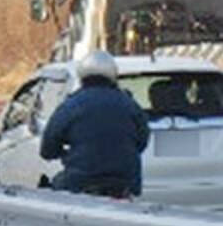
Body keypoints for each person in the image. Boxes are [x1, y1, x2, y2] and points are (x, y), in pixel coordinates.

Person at [40, 50, 149, 196]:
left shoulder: (71, 105)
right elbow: (143, 140)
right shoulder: (129, 104)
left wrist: (65, 153)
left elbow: (48, 146)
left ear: (82, 75)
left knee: (50, 190)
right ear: (112, 74)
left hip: (81, 181)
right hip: (126, 182)